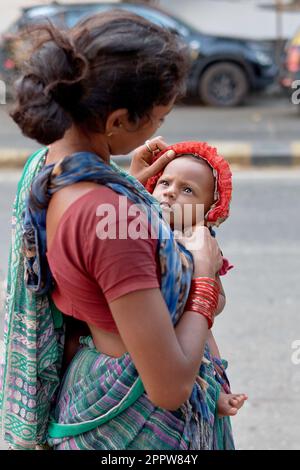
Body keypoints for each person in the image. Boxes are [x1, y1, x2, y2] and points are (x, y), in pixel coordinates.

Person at [0, 11, 234, 450]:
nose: (160, 128)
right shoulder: (112, 222)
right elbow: (169, 387)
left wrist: (128, 182)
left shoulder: (50, 165)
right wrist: (203, 277)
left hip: (89, 383)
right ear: (118, 121)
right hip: (134, 421)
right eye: (159, 119)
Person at [145, 140, 248, 418]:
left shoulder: (202, 242)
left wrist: (201, 299)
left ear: (207, 211)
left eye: (187, 190)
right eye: (164, 183)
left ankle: (218, 392)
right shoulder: (141, 232)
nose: (169, 194)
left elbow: (220, 298)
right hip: (148, 335)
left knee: (207, 340)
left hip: (191, 333)